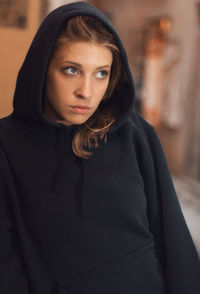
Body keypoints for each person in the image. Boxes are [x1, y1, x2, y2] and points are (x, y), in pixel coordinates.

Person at [0, 2, 199, 294]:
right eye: (71, 70)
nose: (86, 91)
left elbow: (173, 236)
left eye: (101, 73)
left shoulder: (134, 133)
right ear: (43, 68)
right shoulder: (7, 145)